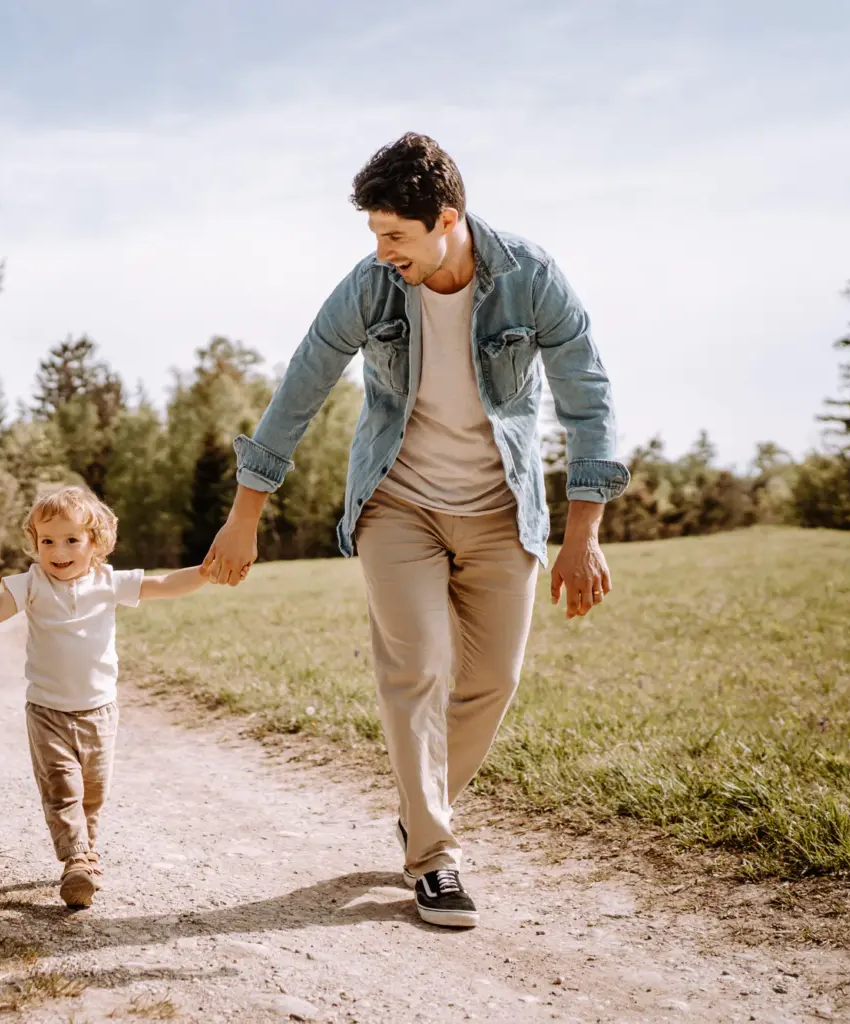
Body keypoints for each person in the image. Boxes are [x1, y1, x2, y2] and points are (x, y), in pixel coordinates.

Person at [201, 133, 629, 929]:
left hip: (504, 507)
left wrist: (584, 533)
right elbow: (300, 388)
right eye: (374, 234)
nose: (382, 250)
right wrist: (244, 516)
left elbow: (588, 401)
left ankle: (418, 808)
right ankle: (433, 856)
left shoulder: (531, 280)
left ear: (448, 220)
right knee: (418, 669)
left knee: (492, 680)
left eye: (395, 234)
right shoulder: (370, 287)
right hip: (397, 504)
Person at [0, 486, 206, 909]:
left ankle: (86, 857)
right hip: (48, 711)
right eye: (47, 541)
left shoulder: (107, 582)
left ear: (95, 543)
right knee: (63, 789)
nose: (57, 551)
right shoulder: (32, 583)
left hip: (100, 711)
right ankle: (76, 859)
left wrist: (208, 571)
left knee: (93, 793)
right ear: (35, 543)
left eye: (71, 540)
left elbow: (166, 583)